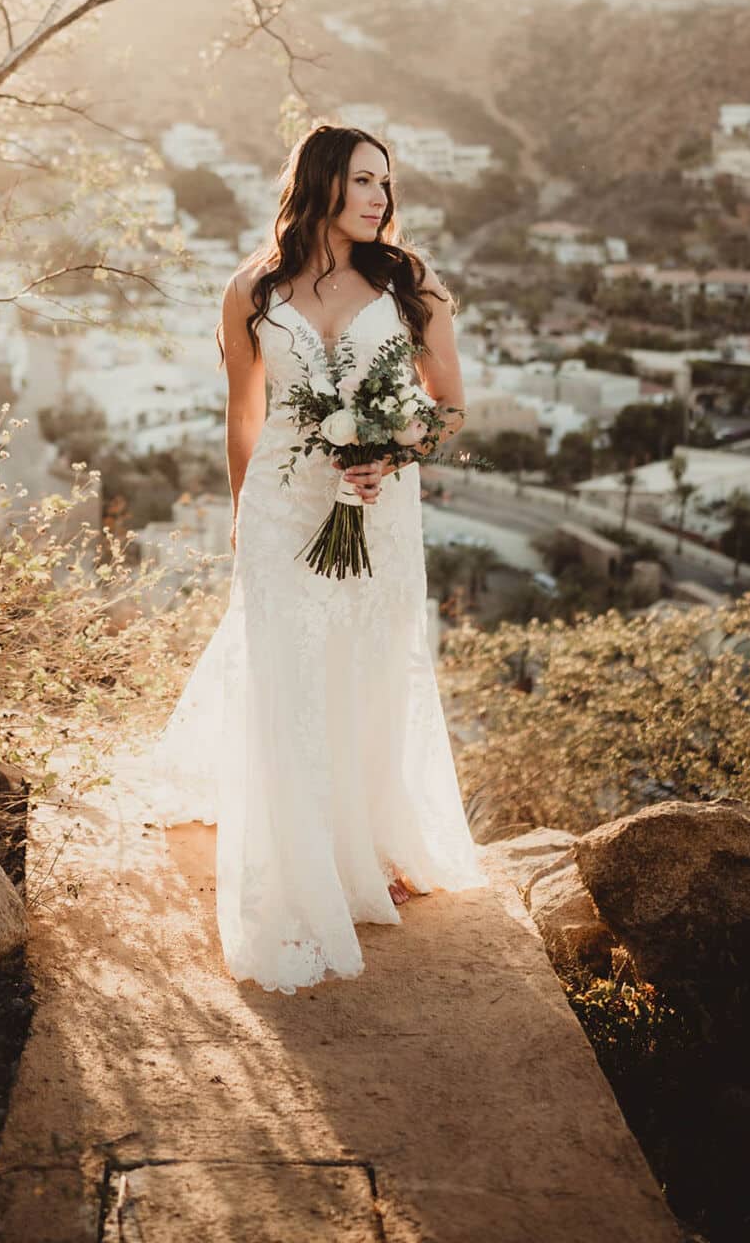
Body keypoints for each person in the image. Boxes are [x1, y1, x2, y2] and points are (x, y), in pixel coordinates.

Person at [117, 121, 489, 995]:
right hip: (285, 507)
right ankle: (295, 858)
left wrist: (390, 453)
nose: (377, 199)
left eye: (384, 186)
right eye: (362, 181)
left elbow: (450, 407)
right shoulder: (249, 290)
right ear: (319, 182)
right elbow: (244, 415)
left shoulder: (410, 284)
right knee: (285, 670)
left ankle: (364, 842)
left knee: (366, 666)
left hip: (376, 504)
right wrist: (244, 511)